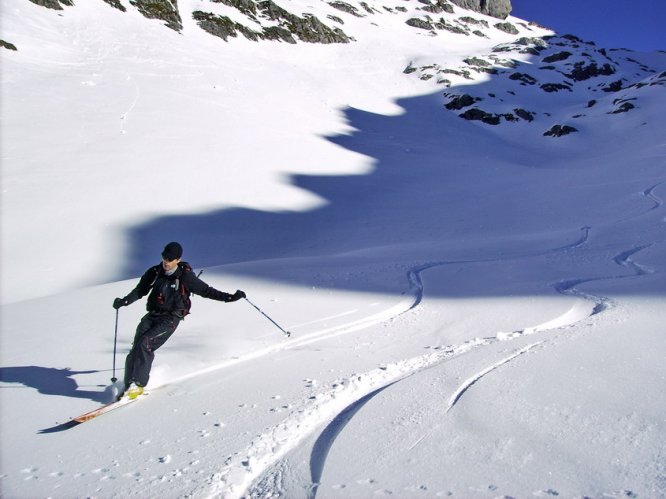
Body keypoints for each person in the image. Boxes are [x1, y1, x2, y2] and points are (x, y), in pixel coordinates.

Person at [113, 242, 245, 399]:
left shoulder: (185, 277)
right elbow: (140, 290)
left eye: (170, 259)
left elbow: (207, 291)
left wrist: (230, 297)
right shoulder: (155, 272)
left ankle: (138, 385)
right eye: (164, 258)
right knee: (136, 347)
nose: (166, 262)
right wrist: (125, 301)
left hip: (170, 318)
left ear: (178, 259)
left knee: (145, 343)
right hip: (152, 314)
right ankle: (129, 385)